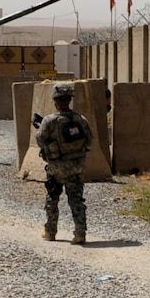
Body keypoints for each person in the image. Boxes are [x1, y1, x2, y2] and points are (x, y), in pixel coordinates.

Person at [36, 81, 93, 244]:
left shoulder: (49, 121)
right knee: (76, 200)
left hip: (56, 168)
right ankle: (80, 233)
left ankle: (50, 231)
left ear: (55, 100)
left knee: (52, 199)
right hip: (76, 166)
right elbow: (89, 141)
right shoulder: (81, 119)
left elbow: (40, 140)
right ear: (69, 100)